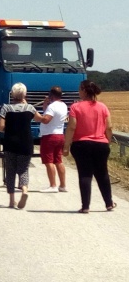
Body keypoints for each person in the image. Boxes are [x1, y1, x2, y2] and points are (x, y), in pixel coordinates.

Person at [63, 80, 116, 214]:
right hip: (101, 143)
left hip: (81, 144)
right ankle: (109, 203)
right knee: (102, 173)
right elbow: (109, 127)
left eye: (80, 90)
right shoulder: (102, 107)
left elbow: (71, 127)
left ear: (84, 91)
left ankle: (85, 206)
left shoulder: (76, 107)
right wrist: (107, 141)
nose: (79, 92)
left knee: (85, 174)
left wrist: (66, 146)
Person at [0, 83, 43, 210]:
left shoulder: (6, 108)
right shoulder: (30, 108)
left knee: (10, 171)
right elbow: (40, 119)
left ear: (12, 94)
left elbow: (0, 127)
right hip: (26, 143)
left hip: (10, 143)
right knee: (23, 169)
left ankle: (12, 201)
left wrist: (9, 129)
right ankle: (24, 190)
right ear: (24, 94)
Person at [39, 86, 67, 193]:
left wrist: (37, 117)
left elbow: (46, 119)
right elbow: (50, 113)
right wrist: (45, 105)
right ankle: (63, 185)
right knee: (58, 160)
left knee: (48, 161)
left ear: (51, 95)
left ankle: (53, 185)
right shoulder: (63, 105)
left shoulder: (52, 106)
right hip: (59, 134)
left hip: (49, 136)